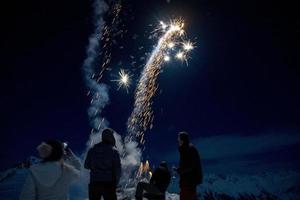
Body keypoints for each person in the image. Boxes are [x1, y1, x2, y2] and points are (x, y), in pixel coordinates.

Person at [84, 128, 121, 200]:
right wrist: (116, 183)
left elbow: (86, 165)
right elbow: (117, 170)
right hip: (108, 184)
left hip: (94, 183)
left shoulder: (92, 149)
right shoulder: (114, 151)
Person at [174, 132, 203, 200]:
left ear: (182, 139)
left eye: (179, 139)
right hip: (190, 182)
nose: (178, 141)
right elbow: (188, 165)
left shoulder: (187, 149)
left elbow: (191, 166)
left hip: (188, 182)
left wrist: (180, 170)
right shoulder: (189, 148)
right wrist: (179, 169)